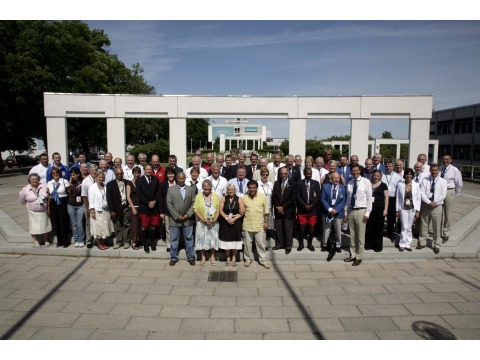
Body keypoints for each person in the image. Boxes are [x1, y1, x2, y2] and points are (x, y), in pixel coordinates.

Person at [344, 164, 372, 266]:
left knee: (360, 236)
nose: (355, 172)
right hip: (351, 210)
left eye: (357, 170)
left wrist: (368, 212)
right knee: (352, 235)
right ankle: (353, 254)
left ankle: (359, 257)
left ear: (359, 171)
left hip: (361, 211)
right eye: (353, 171)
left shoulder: (366, 182)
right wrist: (346, 212)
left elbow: (369, 199)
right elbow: (348, 199)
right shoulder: (350, 183)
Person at [166, 172, 196, 266]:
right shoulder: (171, 190)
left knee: (189, 239)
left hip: (188, 219)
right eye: (179, 178)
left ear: (185, 178)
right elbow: (169, 204)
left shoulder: (191, 189)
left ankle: (191, 257)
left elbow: (194, 203)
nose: (181, 180)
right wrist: (177, 216)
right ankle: (174, 257)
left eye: (183, 178)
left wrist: (188, 214)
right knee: (174, 239)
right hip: (175, 220)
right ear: (176, 178)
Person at [418, 164, 447, 254]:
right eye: (432, 170)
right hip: (426, 204)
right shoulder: (425, 180)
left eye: (435, 170)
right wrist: (428, 202)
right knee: (424, 224)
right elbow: (421, 193)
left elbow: (443, 194)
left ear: (438, 171)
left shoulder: (443, 181)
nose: (434, 172)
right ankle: (422, 242)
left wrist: (435, 202)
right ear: (430, 171)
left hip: (437, 206)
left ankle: (436, 244)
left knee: (437, 225)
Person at [242, 180, 270, 269]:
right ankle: (247, 259)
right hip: (247, 224)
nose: (252, 189)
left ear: (257, 188)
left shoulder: (263, 197)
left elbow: (266, 212)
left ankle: (263, 260)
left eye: (254, 187)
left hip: (259, 224)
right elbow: (241, 211)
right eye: (250, 187)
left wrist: (266, 222)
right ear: (247, 188)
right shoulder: (244, 198)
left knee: (260, 243)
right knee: (247, 244)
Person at [19, 173, 51, 247]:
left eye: (36, 179)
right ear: (29, 180)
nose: (34, 181)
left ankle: (46, 240)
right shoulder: (25, 189)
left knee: (45, 226)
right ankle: (35, 241)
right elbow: (22, 199)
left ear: (38, 180)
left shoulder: (43, 186)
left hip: (43, 210)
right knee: (33, 227)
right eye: (32, 179)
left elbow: (48, 196)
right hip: (32, 211)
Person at [194, 179, 220, 266]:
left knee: (212, 240)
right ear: (202, 187)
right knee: (202, 240)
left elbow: (218, 209)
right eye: (204, 186)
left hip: (213, 222)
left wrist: (215, 219)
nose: (206, 188)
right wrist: (203, 220)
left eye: (208, 186)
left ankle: (212, 256)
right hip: (202, 223)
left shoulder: (216, 196)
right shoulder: (198, 196)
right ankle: (203, 257)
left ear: (211, 187)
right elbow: (196, 209)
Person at [137, 164, 162, 253]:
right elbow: (139, 194)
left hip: (154, 207)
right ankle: (145, 245)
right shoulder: (140, 180)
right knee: (144, 227)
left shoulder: (155, 179)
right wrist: (148, 203)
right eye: (147, 169)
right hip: (144, 207)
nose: (148, 171)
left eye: (150, 169)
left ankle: (152, 243)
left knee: (153, 226)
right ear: (144, 170)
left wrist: (154, 201)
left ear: (152, 170)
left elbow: (158, 192)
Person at [271, 166, 297, 253]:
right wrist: (278, 207)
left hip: (288, 210)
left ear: (288, 174)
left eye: (285, 173)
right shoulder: (276, 183)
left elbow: (293, 198)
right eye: (282, 173)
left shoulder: (293, 183)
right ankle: (280, 244)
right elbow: (274, 196)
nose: (284, 175)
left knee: (288, 229)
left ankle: (288, 246)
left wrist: (283, 207)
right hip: (278, 210)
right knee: (279, 228)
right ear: (280, 174)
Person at [219, 184, 245, 267]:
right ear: (227, 190)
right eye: (229, 190)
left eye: (232, 189)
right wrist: (227, 219)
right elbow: (220, 211)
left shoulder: (239, 199)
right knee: (227, 241)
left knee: (235, 241)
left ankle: (234, 258)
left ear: (235, 190)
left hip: (236, 222)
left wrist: (234, 218)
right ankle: (228, 258)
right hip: (225, 222)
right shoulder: (223, 198)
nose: (230, 191)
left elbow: (242, 211)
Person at [296, 168, 321, 252]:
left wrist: (311, 205)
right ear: (304, 173)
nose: (309, 175)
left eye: (310, 173)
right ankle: (301, 243)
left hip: (312, 209)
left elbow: (318, 197)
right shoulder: (299, 183)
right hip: (302, 209)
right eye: (307, 173)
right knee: (302, 226)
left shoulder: (316, 183)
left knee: (311, 226)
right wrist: (304, 205)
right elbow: (298, 196)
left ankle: (310, 243)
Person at [396, 168, 421, 252]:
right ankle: (402, 244)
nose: (408, 176)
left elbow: (418, 198)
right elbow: (398, 198)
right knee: (403, 226)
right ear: (404, 175)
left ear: (412, 176)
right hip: (403, 208)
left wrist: (418, 210)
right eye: (407, 174)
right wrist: (397, 210)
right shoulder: (400, 184)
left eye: (410, 174)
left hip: (412, 208)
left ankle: (408, 244)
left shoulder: (416, 185)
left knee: (410, 226)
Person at [88, 170, 114, 250]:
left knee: (104, 227)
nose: (101, 178)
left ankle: (103, 242)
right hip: (97, 211)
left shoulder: (106, 186)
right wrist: (92, 210)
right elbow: (91, 200)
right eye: (99, 177)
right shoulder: (92, 187)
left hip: (105, 210)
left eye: (102, 177)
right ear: (96, 178)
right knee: (97, 228)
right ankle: (99, 243)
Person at [107, 168, 131, 250]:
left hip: (125, 207)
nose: (119, 175)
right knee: (117, 225)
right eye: (118, 174)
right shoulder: (110, 184)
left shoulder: (127, 182)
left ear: (123, 173)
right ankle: (118, 241)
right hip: (115, 208)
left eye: (121, 173)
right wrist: (112, 210)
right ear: (115, 174)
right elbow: (109, 198)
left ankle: (126, 241)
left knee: (126, 224)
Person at [440, 154, 463, 242]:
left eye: (447, 159)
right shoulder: (440, 168)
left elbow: (459, 183)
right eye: (444, 159)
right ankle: (438, 232)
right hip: (439, 192)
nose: (445, 161)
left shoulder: (454, 170)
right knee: (439, 213)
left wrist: (454, 193)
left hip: (449, 191)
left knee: (448, 213)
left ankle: (446, 232)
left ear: (450, 160)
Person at [365, 169, 388, 252]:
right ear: (372, 175)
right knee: (369, 227)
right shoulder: (368, 184)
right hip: (369, 209)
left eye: (378, 176)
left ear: (380, 176)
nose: (376, 177)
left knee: (378, 227)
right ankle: (368, 244)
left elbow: (386, 198)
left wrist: (385, 209)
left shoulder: (383, 185)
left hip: (379, 208)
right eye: (374, 175)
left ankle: (377, 246)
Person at [47, 167, 70, 247]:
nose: (55, 174)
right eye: (53, 173)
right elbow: (49, 195)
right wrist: (49, 207)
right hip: (53, 202)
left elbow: (68, 192)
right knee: (55, 222)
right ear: (51, 175)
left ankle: (65, 241)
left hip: (62, 201)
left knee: (63, 221)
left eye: (57, 173)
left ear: (60, 173)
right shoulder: (50, 183)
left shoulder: (64, 181)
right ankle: (59, 241)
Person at [382, 161, 403, 241]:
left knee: (391, 218)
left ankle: (390, 233)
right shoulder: (382, 176)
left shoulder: (398, 177)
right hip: (383, 198)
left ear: (393, 167)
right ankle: (380, 232)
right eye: (387, 166)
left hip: (393, 198)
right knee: (382, 216)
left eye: (390, 166)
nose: (388, 168)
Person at [160, 168, 178, 252]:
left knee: (177, 227)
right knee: (168, 228)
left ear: (174, 175)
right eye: (168, 174)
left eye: (172, 174)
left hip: (177, 211)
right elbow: (161, 199)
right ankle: (169, 244)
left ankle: (175, 243)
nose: (170, 175)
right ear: (166, 175)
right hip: (166, 211)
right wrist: (161, 212)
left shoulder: (178, 184)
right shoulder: (163, 185)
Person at [67, 168, 85, 248]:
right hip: (71, 205)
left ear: (78, 174)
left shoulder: (83, 182)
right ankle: (76, 239)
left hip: (80, 205)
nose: (72, 176)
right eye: (71, 175)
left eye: (74, 175)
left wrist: (82, 186)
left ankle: (81, 239)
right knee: (74, 224)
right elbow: (68, 192)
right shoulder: (70, 183)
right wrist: (70, 183)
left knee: (79, 223)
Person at [81, 164, 97, 248]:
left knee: (96, 222)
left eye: (95, 170)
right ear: (89, 171)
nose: (94, 172)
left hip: (97, 205)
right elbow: (84, 196)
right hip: (88, 205)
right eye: (92, 170)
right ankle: (89, 240)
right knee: (88, 224)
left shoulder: (98, 179)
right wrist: (88, 208)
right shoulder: (85, 181)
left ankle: (96, 239)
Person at [126, 166, 142, 250]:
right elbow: (128, 196)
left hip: (141, 206)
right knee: (134, 225)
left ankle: (138, 241)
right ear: (133, 173)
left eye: (138, 173)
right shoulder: (129, 183)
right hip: (133, 206)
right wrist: (133, 208)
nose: (137, 174)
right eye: (135, 173)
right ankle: (133, 242)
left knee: (139, 225)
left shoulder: (141, 182)